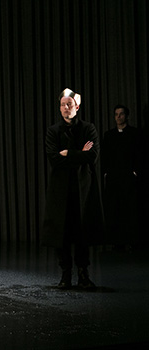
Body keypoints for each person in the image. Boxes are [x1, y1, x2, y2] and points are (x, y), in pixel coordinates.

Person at [42, 88, 104, 289]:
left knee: (82, 232)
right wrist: (79, 154)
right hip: (60, 190)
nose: (66, 107)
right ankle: (65, 274)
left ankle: (83, 274)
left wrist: (68, 153)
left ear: (77, 106)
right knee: (62, 233)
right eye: (63, 104)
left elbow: (92, 156)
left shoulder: (88, 128)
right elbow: (54, 159)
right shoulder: (53, 131)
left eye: (69, 104)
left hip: (83, 189)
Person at [101, 105, 143, 249]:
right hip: (113, 179)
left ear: (126, 116)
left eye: (121, 114)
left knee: (130, 210)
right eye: (116, 114)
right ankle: (116, 242)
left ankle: (132, 241)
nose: (118, 117)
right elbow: (105, 156)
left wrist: (135, 172)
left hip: (129, 178)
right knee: (114, 210)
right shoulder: (109, 135)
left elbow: (140, 155)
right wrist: (106, 173)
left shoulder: (135, 134)